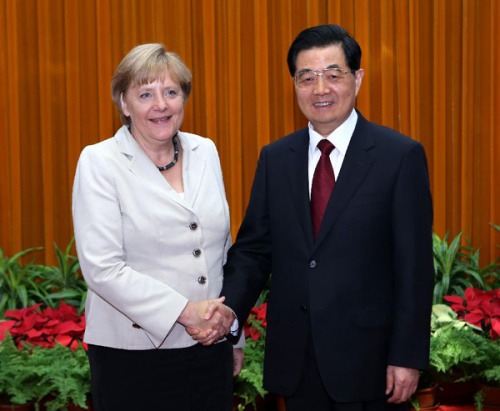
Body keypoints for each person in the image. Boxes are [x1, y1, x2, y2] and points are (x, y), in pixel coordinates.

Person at [197, 24, 434, 411]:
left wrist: (407, 355)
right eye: (307, 77)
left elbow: (415, 267)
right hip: (298, 363)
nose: (320, 89)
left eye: (333, 75)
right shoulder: (276, 158)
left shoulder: (399, 156)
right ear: (294, 84)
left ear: (357, 78)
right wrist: (228, 312)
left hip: (371, 364)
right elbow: (255, 250)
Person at [72, 43, 242, 411]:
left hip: (209, 348)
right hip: (132, 356)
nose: (160, 105)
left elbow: (220, 248)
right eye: (145, 94)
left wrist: (232, 333)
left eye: (171, 92)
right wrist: (185, 311)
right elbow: (103, 267)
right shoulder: (99, 161)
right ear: (123, 102)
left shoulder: (205, 151)